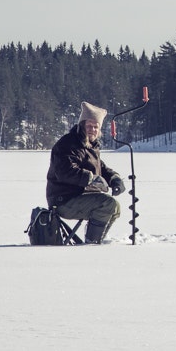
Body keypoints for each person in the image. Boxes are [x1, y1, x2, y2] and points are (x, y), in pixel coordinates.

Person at [46, 101, 125, 244]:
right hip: (63, 200)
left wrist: (114, 178)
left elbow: (101, 167)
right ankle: (92, 243)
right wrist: (91, 179)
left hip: (80, 197)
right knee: (108, 205)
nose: (92, 130)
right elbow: (65, 172)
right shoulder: (68, 144)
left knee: (115, 208)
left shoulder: (90, 146)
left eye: (96, 127)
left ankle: (97, 239)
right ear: (81, 125)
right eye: (89, 125)